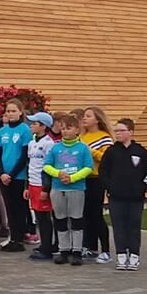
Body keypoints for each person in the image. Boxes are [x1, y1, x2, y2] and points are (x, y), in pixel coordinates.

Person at [102, 117, 147, 271]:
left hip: (136, 198)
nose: (118, 133)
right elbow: (103, 172)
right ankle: (121, 255)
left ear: (130, 132)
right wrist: (110, 187)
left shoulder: (141, 151)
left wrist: (143, 186)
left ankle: (134, 255)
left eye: (121, 130)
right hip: (116, 197)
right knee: (118, 226)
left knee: (134, 225)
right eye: (116, 131)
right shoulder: (111, 152)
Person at [43, 113, 94, 266]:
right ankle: (63, 250)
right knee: (60, 219)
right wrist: (58, 173)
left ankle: (77, 251)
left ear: (77, 130)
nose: (65, 131)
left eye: (69, 128)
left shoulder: (83, 148)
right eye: (63, 128)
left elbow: (88, 168)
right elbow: (46, 166)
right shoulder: (56, 148)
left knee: (76, 219)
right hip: (58, 188)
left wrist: (72, 178)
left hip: (76, 188)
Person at [77, 106, 115, 263]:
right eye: (84, 116)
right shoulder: (82, 136)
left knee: (96, 214)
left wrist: (90, 151)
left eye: (88, 116)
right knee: (85, 214)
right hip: (82, 178)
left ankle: (105, 250)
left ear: (97, 120)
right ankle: (89, 246)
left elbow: (107, 158)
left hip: (96, 178)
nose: (84, 118)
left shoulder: (104, 137)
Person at [0, 99, 32, 251]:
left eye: (13, 111)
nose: (10, 114)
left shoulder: (24, 130)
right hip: (4, 176)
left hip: (18, 176)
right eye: (8, 111)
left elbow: (24, 155)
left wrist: (12, 174)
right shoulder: (2, 131)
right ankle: (13, 236)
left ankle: (19, 239)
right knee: (9, 208)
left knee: (19, 208)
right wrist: (1, 173)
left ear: (20, 112)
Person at [24, 112, 57, 258]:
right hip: (33, 183)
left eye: (35, 123)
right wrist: (27, 186)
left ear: (44, 126)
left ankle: (47, 247)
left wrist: (46, 188)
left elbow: (49, 167)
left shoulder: (49, 144)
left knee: (44, 217)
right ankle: (44, 244)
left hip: (42, 184)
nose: (31, 126)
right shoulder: (32, 143)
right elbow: (29, 165)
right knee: (38, 216)